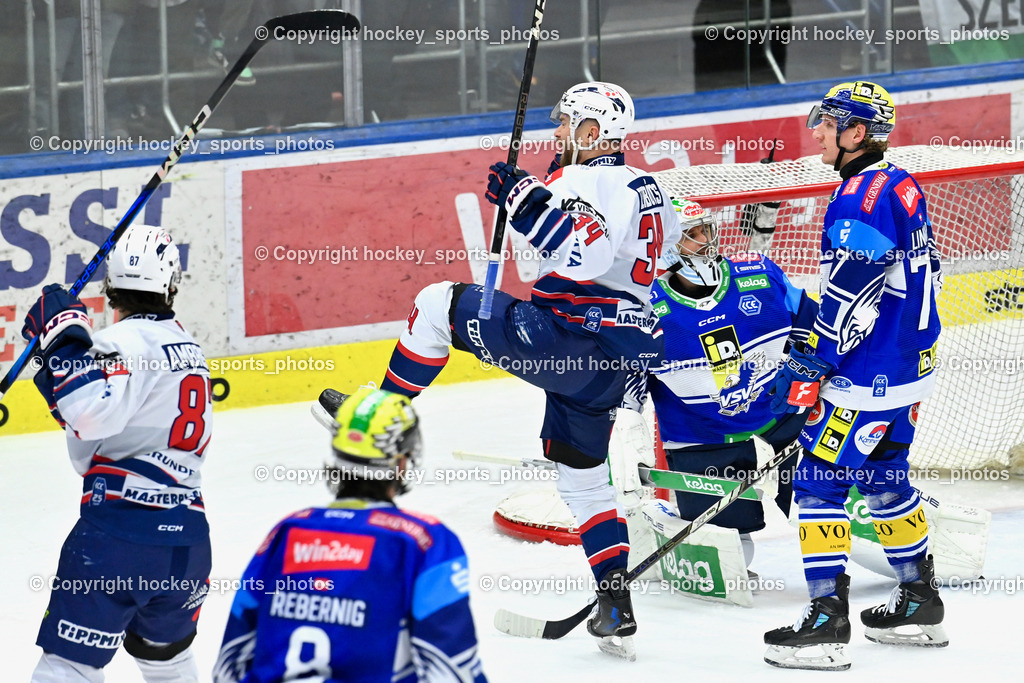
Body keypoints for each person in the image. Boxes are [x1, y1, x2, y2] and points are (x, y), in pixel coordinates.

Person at [373, 81, 680, 658]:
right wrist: (531, 194)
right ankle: (615, 602)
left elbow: (583, 255)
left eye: (567, 124)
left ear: (592, 132)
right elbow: (657, 260)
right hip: (609, 366)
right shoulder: (649, 186)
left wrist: (525, 198)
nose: (558, 132)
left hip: (565, 341)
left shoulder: (581, 178)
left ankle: (377, 416)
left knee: (437, 303)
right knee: (583, 481)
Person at [763, 81, 946, 671]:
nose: (816, 131)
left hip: (867, 377)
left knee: (818, 480)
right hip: (910, 370)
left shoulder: (857, 199)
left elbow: (850, 295)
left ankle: (825, 618)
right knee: (886, 474)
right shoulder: (901, 183)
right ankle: (919, 596)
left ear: (856, 132)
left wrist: (815, 361)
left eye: (827, 122)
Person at [24, 227, 211, 682]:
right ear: (171, 283)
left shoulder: (121, 343)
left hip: (121, 536)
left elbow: (87, 415)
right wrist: (56, 358)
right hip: (187, 544)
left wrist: (64, 338)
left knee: (69, 666)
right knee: (165, 660)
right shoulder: (189, 348)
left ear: (109, 288)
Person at [213, 388, 487, 683]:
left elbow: (231, 659)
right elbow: (453, 667)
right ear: (402, 461)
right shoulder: (423, 542)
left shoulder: (289, 531)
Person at [619, 198, 817, 568]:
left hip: (779, 408)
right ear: (665, 247)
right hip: (702, 432)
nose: (705, 240)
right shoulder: (644, 308)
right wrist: (627, 440)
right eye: (691, 235)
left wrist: (814, 373)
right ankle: (676, 515)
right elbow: (629, 389)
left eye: (704, 230)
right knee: (733, 545)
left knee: (822, 496)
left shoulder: (759, 274)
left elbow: (813, 328)